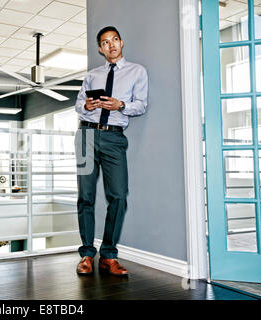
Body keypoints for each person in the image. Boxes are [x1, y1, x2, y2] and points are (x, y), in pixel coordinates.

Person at [74, 26, 148, 276]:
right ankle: (86, 254)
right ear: (100, 48)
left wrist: (121, 105)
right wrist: (86, 104)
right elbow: (78, 105)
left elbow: (141, 105)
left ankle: (108, 254)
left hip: (114, 138)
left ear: (121, 42)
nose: (111, 45)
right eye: (105, 42)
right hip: (85, 136)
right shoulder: (91, 75)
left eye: (115, 40)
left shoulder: (137, 71)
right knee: (85, 196)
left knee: (118, 196)